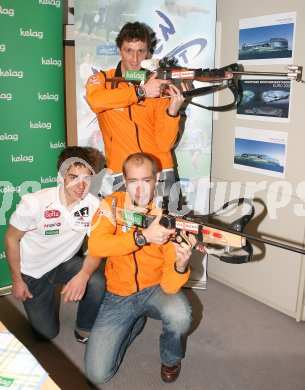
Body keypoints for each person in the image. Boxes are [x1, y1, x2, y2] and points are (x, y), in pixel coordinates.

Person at [85, 153, 194, 384]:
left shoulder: (167, 214)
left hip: (154, 289)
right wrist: (142, 237)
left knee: (181, 314)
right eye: (133, 181)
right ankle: (134, 322)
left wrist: (180, 265)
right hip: (118, 294)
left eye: (146, 181)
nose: (139, 189)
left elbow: (169, 285)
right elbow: (96, 245)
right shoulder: (111, 204)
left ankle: (170, 358)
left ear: (156, 181)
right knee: (98, 374)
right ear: (125, 181)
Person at [4, 146, 106, 344]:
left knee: (96, 280)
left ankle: (84, 327)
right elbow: (11, 239)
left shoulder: (93, 206)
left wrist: (83, 276)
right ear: (61, 176)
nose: (81, 185)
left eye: (86, 178)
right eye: (73, 177)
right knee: (46, 336)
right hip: (33, 272)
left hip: (64, 262)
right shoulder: (34, 202)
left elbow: (97, 247)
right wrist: (17, 280)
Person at [85, 21, 187, 201]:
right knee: (127, 227)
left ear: (148, 52)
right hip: (122, 172)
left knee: (170, 226)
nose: (134, 59)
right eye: (128, 51)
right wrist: (141, 92)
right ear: (118, 50)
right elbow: (95, 101)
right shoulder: (102, 79)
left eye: (141, 51)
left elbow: (164, 145)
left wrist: (172, 112)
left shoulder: (156, 84)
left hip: (160, 171)